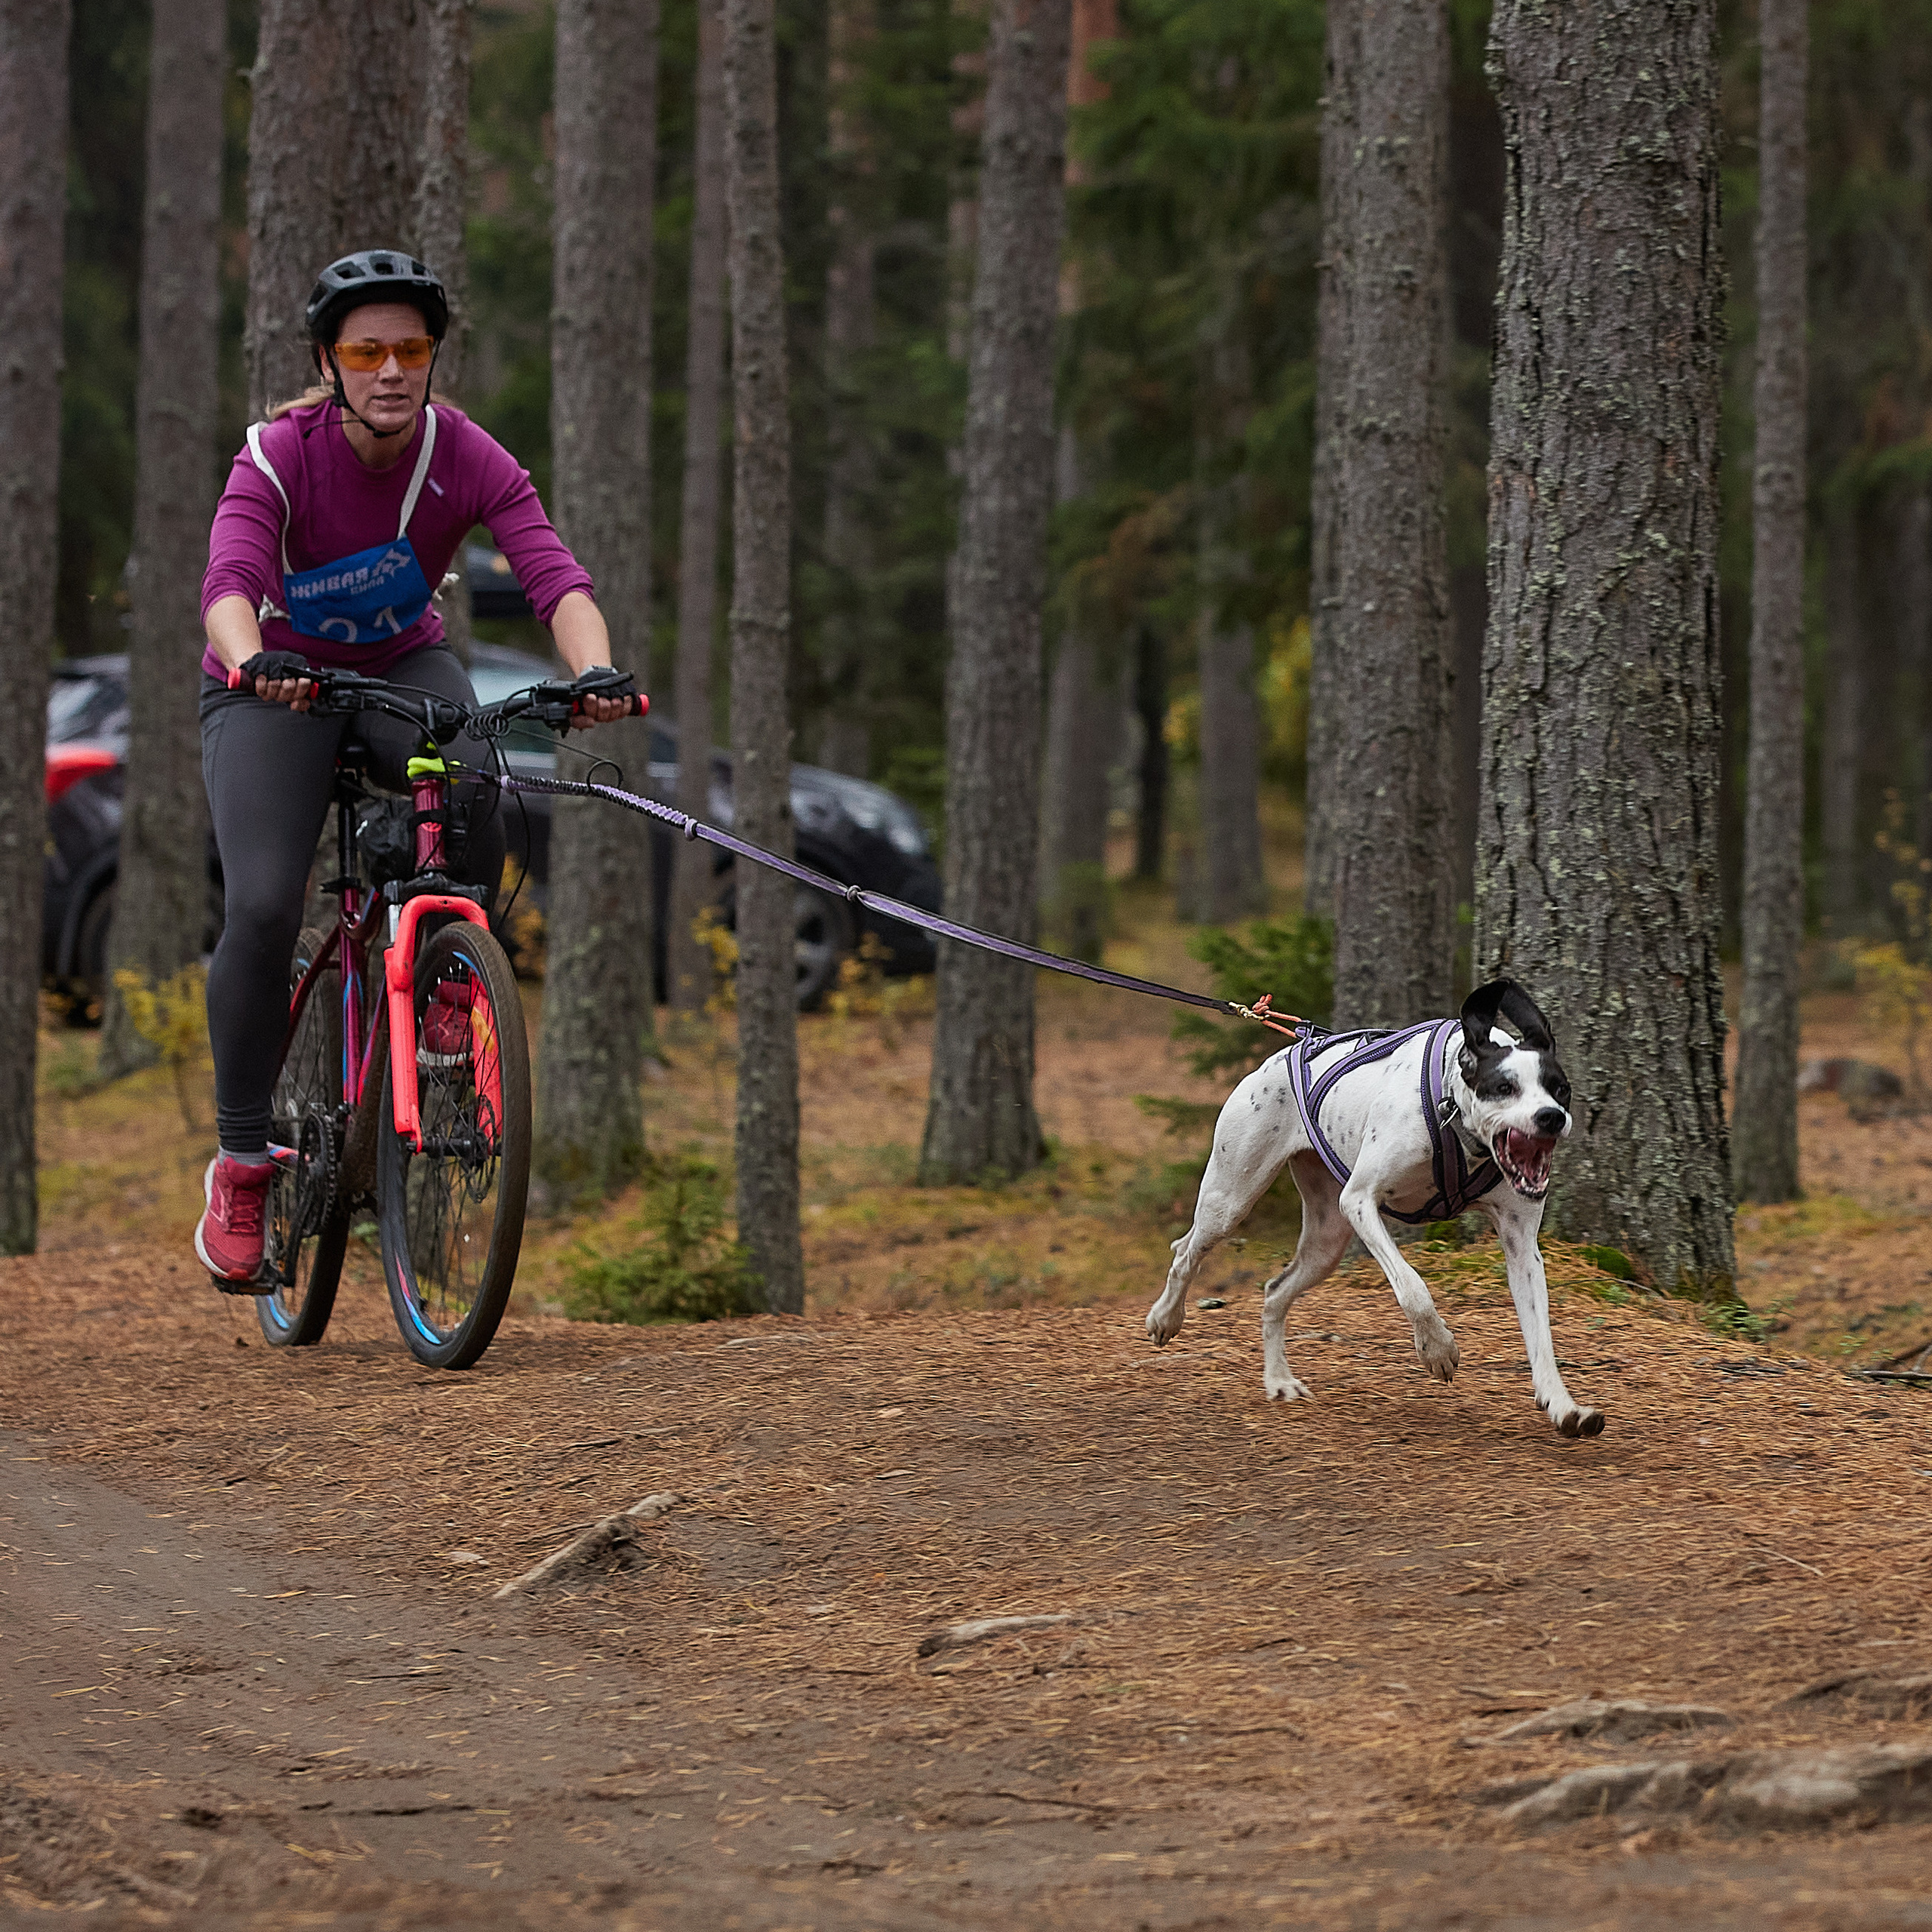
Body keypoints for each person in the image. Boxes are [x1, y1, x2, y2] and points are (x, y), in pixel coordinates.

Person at [194, 248, 633, 1289]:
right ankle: (244, 1164)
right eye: (365, 349)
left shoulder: (464, 451)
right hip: (275, 681)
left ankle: (444, 988)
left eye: (411, 349)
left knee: (480, 774)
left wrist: (595, 668)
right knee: (261, 904)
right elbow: (229, 579)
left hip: (399, 662)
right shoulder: (277, 455)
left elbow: (552, 574)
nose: (390, 369)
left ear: (432, 359)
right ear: (329, 360)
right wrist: (255, 660)